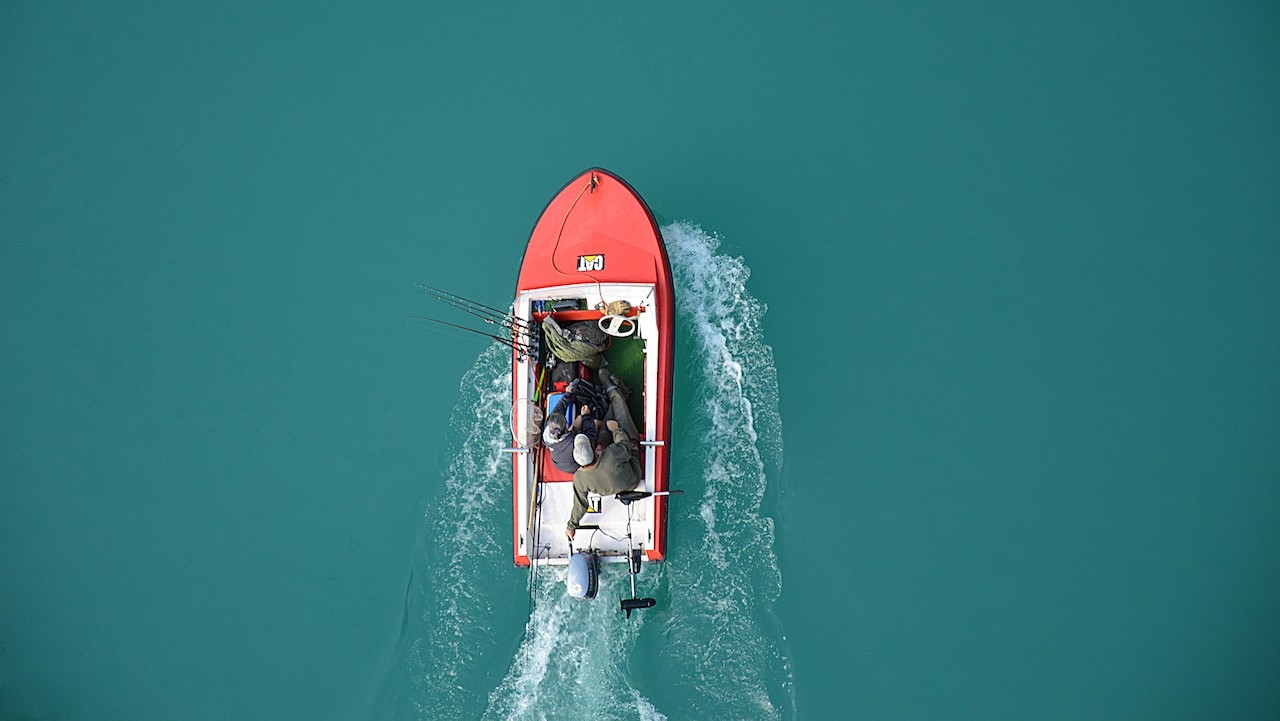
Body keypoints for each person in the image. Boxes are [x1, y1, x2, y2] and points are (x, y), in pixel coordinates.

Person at [565, 368, 642, 539]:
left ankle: (617, 394)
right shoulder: (612, 454)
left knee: (608, 420)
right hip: (633, 473)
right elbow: (626, 446)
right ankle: (615, 391)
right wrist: (616, 431)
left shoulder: (579, 479)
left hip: (612, 483)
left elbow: (580, 505)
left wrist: (571, 526)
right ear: (593, 452)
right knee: (619, 418)